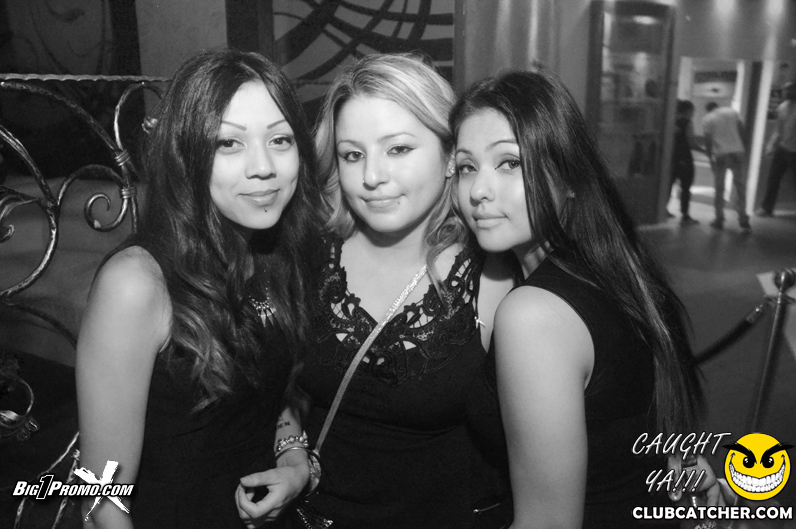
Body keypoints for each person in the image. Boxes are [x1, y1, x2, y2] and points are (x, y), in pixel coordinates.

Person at [75, 48, 323, 528]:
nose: (263, 167)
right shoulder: (137, 284)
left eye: (280, 139)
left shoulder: (278, 252)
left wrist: (293, 460)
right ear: (186, 155)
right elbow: (100, 498)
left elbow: (271, 388)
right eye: (228, 143)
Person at [451, 69, 707, 528]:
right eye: (467, 167)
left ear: (568, 176)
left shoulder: (534, 314)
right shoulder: (619, 269)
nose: (478, 191)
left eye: (509, 163)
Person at [294, 52, 514, 528]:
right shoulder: (310, 255)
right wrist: (289, 450)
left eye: (397, 149)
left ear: (450, 155)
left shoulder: (495, 276)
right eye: (353, 155)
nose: (372, 177)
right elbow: (272, 388)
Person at [701, 102, 751, 231]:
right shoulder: (731, 112)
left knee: (719, 188)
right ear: (717, 106)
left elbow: (707, 139)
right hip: (738, 152)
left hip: (721, 155)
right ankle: (743, 218)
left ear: (708, 109)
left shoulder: (707, 118)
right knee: (740, 187)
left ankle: (719, 219)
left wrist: (709, 157)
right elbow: (742, 131)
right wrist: (742, 148)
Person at [758, 78, 796, 217]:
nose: (785, 92)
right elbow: (778, 130)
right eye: (784, 89)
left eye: (789, 89)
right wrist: (771, 145)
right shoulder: (782, 107)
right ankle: (767, 208)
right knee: (773, 179)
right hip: (783, 148)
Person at [667, 100, 700, 225]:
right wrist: (703, 150)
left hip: (671, 157)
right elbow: (691, 142)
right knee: (685, 187)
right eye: (692, 111)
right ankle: (685, 215)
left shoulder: (671, 121)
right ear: (688, 110)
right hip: (684, 157)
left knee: (668, 184)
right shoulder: (687, 123)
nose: (693, 114)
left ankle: (663, 209)